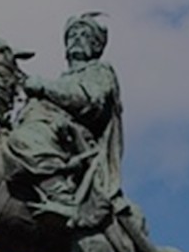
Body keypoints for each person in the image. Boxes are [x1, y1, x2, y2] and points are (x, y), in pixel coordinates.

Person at [7, 12, 122, 229]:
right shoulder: (64, 79)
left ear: (97, 46)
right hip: (47, 128)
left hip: (74, 139)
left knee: (24, 139)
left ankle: (63, 197)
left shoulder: (100, 70)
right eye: (72, 35)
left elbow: (90, 100)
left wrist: (43, 86)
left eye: (85, 35)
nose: (77, 39)